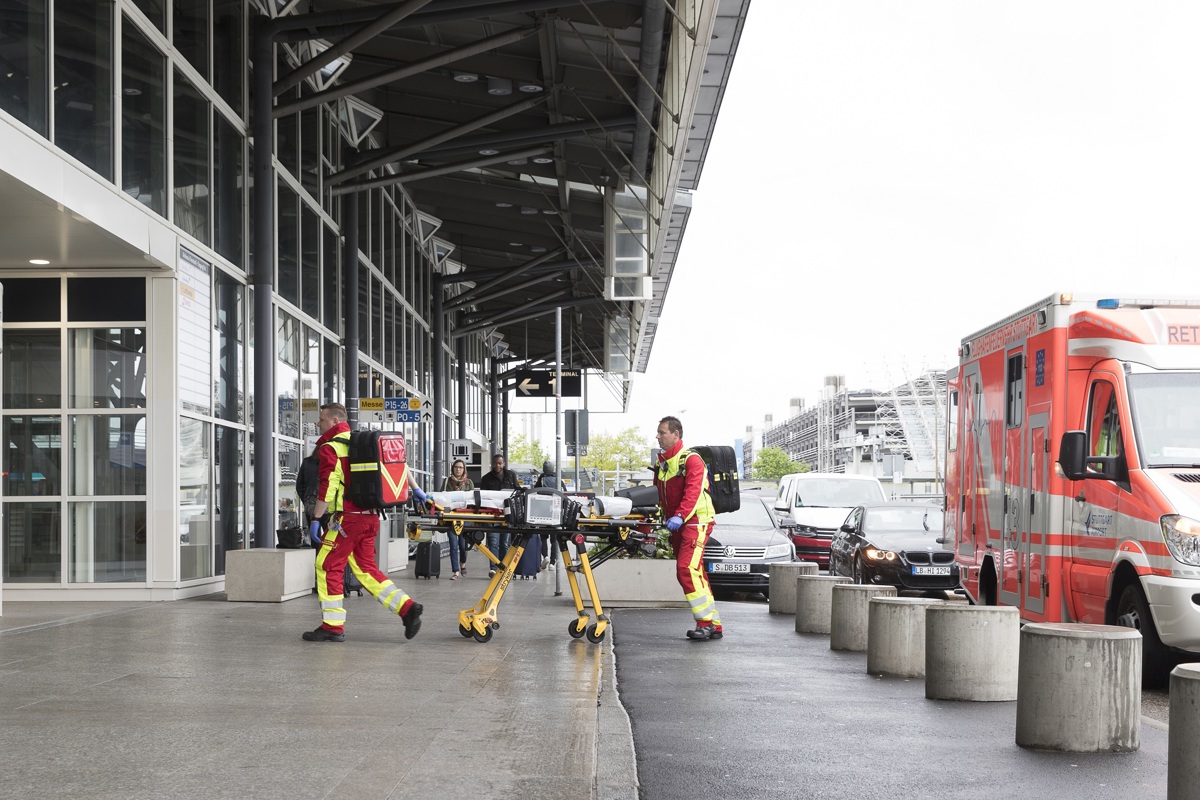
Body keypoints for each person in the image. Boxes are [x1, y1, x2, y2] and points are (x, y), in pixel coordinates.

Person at [303, 402, 425, 643]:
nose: (318, 423)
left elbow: (327, 487)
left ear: (335, 421)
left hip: (346, 521)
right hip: (371, 517)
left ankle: (333, 626)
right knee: (366, 569)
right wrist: (418, 489)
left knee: (327, 565)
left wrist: (316, 518)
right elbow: (400, 465)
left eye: (322, 419)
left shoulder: (331, 448)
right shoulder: (365, 442)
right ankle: (407, 608)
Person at [653, 415, 723, 641]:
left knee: (686, 569)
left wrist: (680, 515)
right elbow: (658, 494)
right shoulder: (661, 462)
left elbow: (693, 492)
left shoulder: (692, 460)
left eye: (662, 432)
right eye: (658, 432)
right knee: (697, 572)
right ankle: (715, 624)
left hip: (696, 521)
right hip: (678, 524)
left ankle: (704, 623)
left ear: (676, 434)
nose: (658, 436)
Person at [478, 453, 519, 577]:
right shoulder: (486, 478)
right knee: (493, 542)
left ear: (504, 464)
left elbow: (517, 491)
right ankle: (493, 568)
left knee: (504, 543)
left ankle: (504, 567)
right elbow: (482, 496)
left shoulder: (511, 476)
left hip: (507, 515)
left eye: (500, 463)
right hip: (492, 515)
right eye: (495, 463)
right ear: (492, 464)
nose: (498, 466)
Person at [440, 458, 473, 579]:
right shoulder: (446, 482)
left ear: (464, 469)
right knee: (453, 545)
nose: (458, 469)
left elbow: (472, 500)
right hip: (451, 517)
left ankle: (462, 564)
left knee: (463, 545)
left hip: (465, 517)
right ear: (452, 468)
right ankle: (455, 571)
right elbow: (441, 498)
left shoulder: (468, 482)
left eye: (460, 467)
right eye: (456, 467)